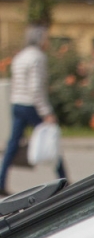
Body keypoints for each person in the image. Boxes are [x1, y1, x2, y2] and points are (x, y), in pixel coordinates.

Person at [0, 25, 67, 196]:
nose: (47, 42)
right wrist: (46, 112)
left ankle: (1, 181)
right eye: (46, 39)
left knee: (12, 145)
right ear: (39, 40)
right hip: (31, 105)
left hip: (17, 103)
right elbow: (36, 88)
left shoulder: (20, 57)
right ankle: (64, 179)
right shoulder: (38, 58)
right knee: (50, 138)